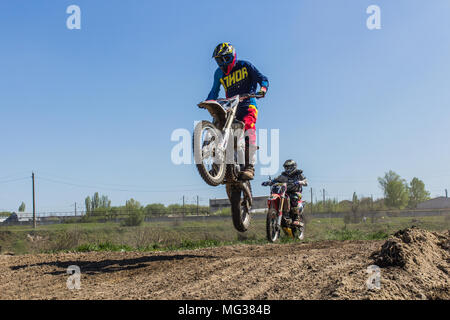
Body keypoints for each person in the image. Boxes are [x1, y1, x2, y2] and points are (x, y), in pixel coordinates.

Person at [206, 42, 269, 180]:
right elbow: (214, 91)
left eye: (225, 58)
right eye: (219, 60)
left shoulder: (245, 66)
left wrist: (263, 89)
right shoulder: (218, 73)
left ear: (232, 56)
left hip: (248, 104)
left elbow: (262, 78)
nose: (222, 63)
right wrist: (209, 102)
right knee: (218, 126)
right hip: (231, 106)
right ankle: (216, 166)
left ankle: (249, 166)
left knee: (248, 127)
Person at [262, 159, 308, 226]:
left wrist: (300, 182)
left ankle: (296, 218)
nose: (288, 169)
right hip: (285, 191)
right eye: (286, 167)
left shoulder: (298, 174)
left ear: (294, 167)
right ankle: (279, 213)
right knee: (279, 197)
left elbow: (306, 182)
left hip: (296, 192)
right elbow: (275, 180)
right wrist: (268, 182)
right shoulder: (283, 175)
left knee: (293, 198)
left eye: (289, 167)